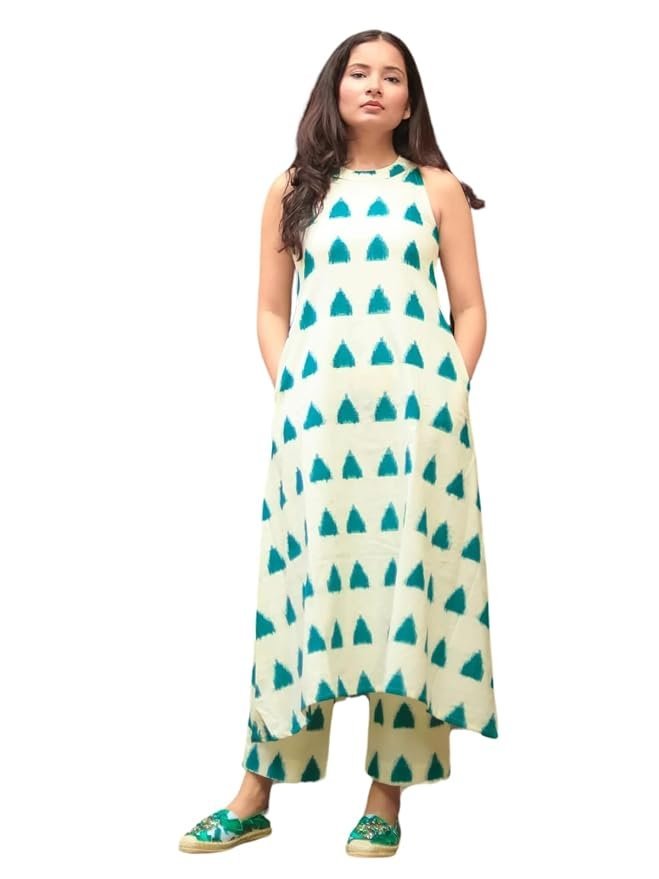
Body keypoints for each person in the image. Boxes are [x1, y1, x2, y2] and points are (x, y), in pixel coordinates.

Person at [179, 27, 499, 858]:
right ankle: (255, 794)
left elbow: (469, 307)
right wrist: (290, 389)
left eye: (392, 76)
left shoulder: (435, 190)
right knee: (298, 591)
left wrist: (448, 394)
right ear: (334, 87)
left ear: (409, 99)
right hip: (317, 424)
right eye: (359, 72)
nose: (374, 85)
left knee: (409, 591)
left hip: (418, 426)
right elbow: (269, 309)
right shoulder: (293, 189)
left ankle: (385, 797)